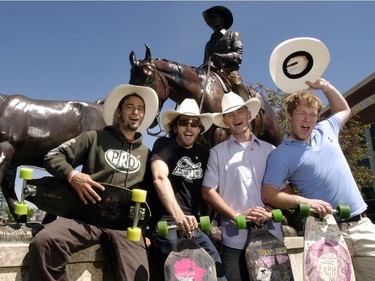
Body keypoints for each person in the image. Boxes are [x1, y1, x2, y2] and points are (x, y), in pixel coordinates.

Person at [28, 84, 159, 281]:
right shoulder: (94, 137)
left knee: (138, 276)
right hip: (85, 215)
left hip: (125, 226)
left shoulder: (147, 154)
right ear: (119, 111)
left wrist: (146, 230)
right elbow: (52, 157)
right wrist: (73, 175)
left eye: (140, 108)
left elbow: (153, 195)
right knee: (44, 242)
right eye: (130, 107)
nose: (135, 112)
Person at [262, 78, 375, 281]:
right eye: (301, 114)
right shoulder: (280, 155)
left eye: (313, 115)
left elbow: (344, 109)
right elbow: (269, 193)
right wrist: (305, 201)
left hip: (362, 224)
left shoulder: (326, 129)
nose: (307, 120)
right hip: (324, 231)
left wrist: (326, 87)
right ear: (289, 115)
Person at [202, 92, 283, 281]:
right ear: (225, 120)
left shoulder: (270, 151)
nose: (236, 117)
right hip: (234, 240)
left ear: (248, 114)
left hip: (271, 237)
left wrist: (270, 210)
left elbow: (284, 189)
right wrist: (236, 216)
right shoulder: (217, 153)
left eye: (240, 111)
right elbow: (208, 191)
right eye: (230, 114)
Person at [147, 98, 227, 280]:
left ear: (200, 129)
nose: (189, 127)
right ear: (175, 127)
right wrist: (178, 215)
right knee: (184, 270)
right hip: (167, 224)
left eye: (194, 123)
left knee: (217, 269)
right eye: (184, 122)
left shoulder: (204, 154)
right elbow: (159, 177)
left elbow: (212, 189)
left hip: (194, 227)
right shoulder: (164, 146)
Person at [202, 5, 248, 101]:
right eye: (209, 20)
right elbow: (205, 62)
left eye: (214, 18)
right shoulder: (208, 44)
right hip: (211, 74)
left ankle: (247, 110)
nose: (211, 21)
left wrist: (221, 57)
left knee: (237, 84)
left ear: (222, 19)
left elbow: (237, 56)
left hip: (228, 72)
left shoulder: (233, 35)